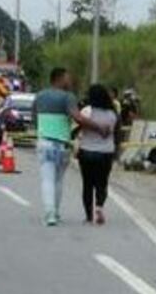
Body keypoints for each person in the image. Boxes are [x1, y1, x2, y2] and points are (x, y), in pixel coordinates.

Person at [34, 67, 111, 226]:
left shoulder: (39, 96)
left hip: (44, 142)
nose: (70, 81)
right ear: (59, 79)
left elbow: (34, 117)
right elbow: (78, 117)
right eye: (67, 78)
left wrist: (42, 130)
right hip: (62, 144)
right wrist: (98, 127)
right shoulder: (67, 97)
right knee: (58, 180)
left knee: (47, 179)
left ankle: (50, 214)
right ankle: (55, 212)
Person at [77, 84, 119, 225]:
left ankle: (89, 216)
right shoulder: (112, 114)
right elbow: (115, 133)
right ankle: (99, 206)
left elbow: (77, 128)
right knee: (102, 182)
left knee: (87, 184)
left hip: (87, 151)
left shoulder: (86, 111)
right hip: (106, 152)